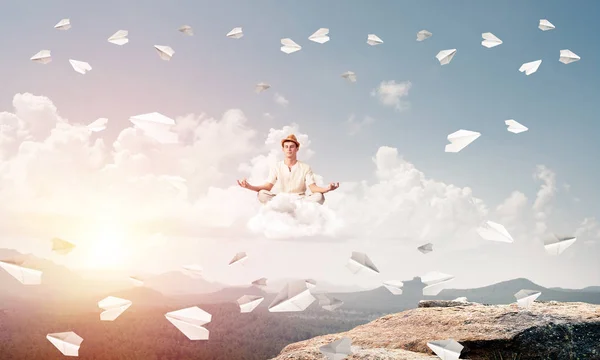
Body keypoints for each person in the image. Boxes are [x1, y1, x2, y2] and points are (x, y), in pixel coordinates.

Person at [237, 134, 339, 205]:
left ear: (297, 149)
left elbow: (313, 188)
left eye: (292, 147)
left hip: (301, 199)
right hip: (282, 200)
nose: (289, 149)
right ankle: (284, 208)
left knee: (319, 197)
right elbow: (267, 187)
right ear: (283, 149)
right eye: (286, 147)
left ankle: (295, 209)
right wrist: (249, 186)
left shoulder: (305, 167)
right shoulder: (276, 167)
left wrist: (327, 189)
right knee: (262, 194)